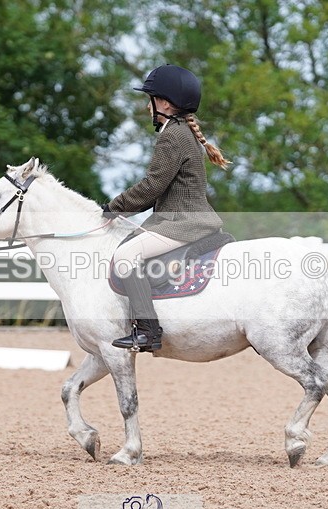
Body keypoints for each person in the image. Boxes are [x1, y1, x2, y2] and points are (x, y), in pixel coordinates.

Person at [102, 64, 231, 352]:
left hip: (182, 222)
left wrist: (113, 207)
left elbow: (151, 187)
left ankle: (147, 331)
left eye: (150, 100)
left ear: (163, 103)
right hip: (194, 219)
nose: (148, 107)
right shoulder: (182, 132)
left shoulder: (172, 136)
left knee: (125, 255)